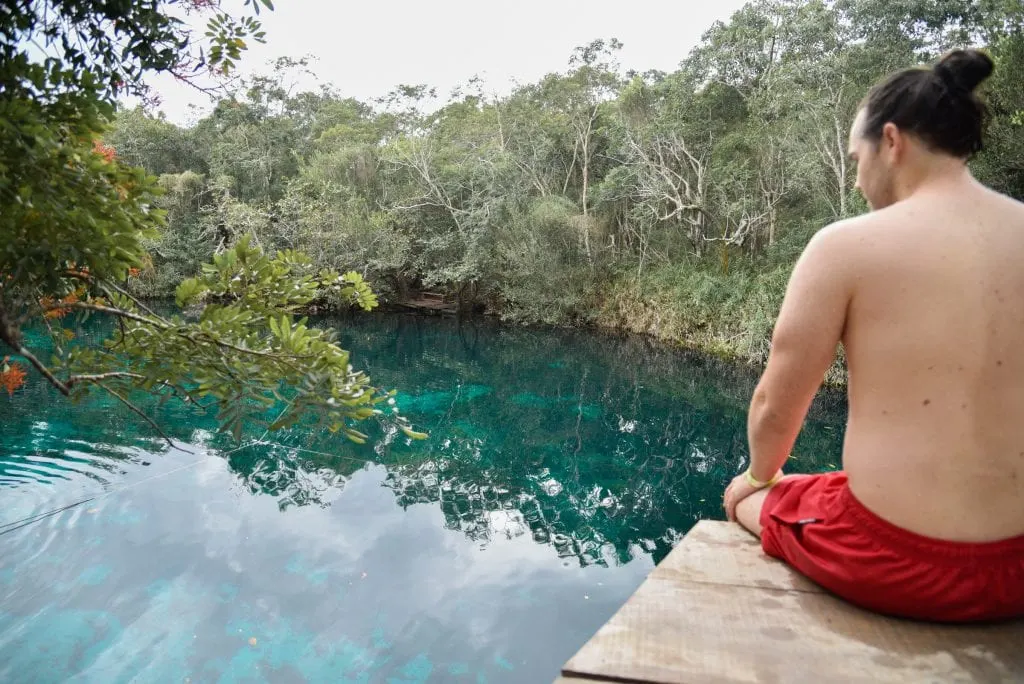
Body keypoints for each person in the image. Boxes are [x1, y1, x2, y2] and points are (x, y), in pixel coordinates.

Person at [721, 48, 1024, 623]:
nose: (859, 177)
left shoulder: (844, 246)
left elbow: (773, 406)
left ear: (890, 142)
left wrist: (758, 478)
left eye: (855, 156)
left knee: (756, 498)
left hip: (897, 561)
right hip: (1018, 566)